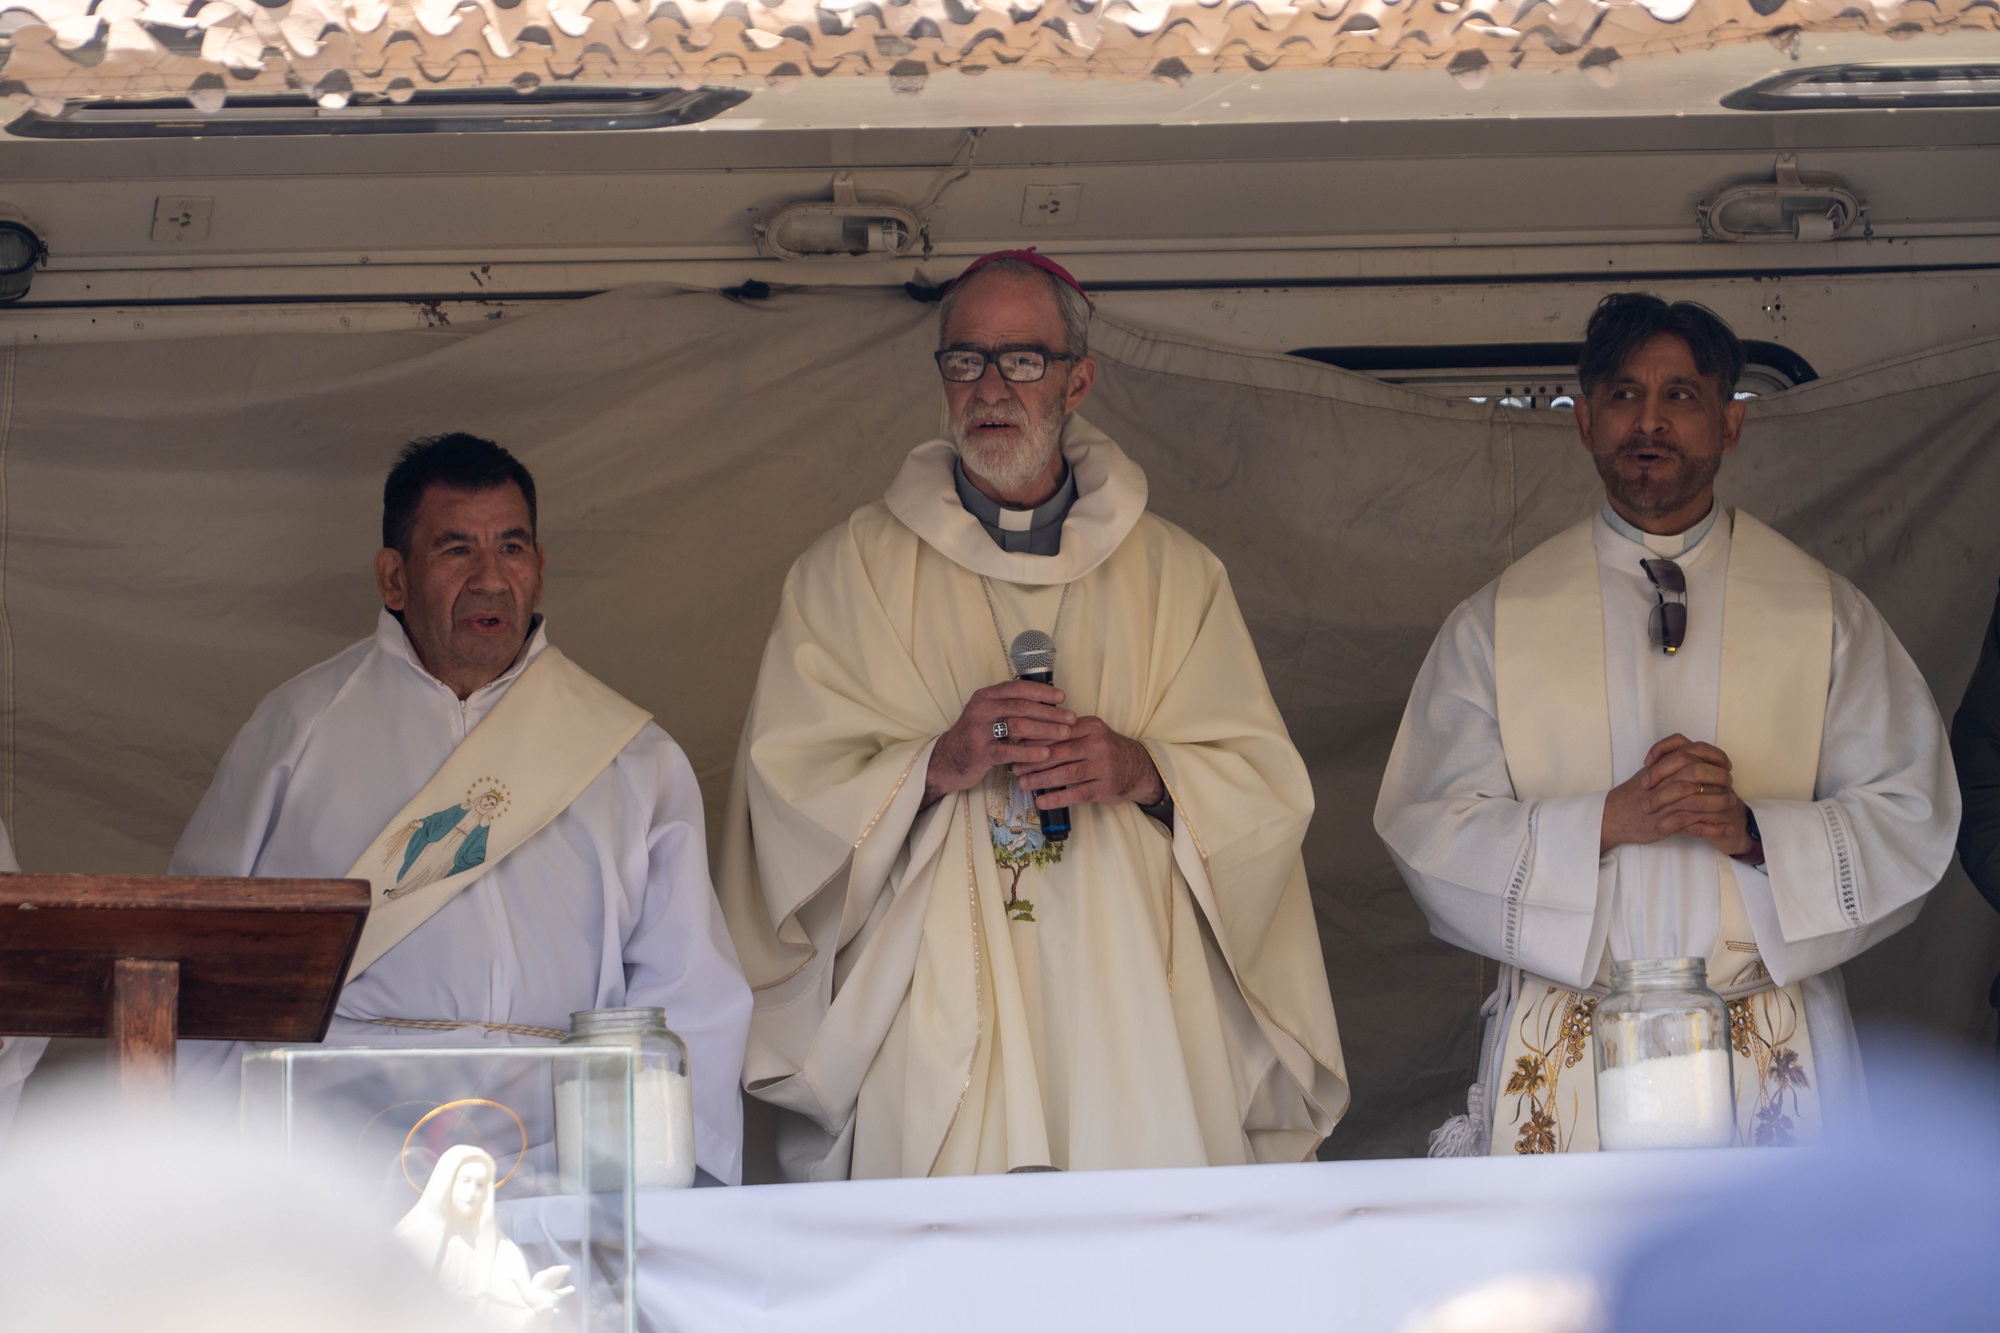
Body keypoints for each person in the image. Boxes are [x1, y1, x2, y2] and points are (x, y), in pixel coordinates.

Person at [716, 249, 1347, 1180]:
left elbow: (1265, 795)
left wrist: (1143, 770)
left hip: (1128, 996)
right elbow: (784, 801)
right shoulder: (849, 574)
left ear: (1077, 379)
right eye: (964, 360)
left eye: (1021, 360)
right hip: (935, 1003)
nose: (989, 387)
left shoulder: (1175, 576)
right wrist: (932, 764)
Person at [1375, 293, 1959, 1155]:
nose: (1648, 421)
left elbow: (1913, 812)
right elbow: (1424, 826)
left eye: (1680, 396)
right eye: (1620, 395)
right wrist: (1604, 822)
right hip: (1568, 1035)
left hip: (1761, 1028)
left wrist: (1755, 831)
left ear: (1731, 423)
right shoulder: (1496, 622)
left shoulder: (1822, 614)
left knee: (1767, 1288)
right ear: (1582, 422)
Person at [171, 434, 752, 1184]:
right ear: (393, 577)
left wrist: (674, 1176)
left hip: (566, 1160)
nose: (490, 578)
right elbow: (201, 958)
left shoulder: (631, 758)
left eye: (511, 548)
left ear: (539, 572)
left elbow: (687, 989)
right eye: (455, 550)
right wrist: (203, 1167)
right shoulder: (298, 731)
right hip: (333, 1163)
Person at [393, 1144, 573, 1328]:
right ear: (446, 1182)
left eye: (480, 1185)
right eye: (465, 1181)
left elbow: (514, 1316)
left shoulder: (501, 1249)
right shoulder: (410, 1239)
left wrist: (537, 1314)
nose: (472, 1193)